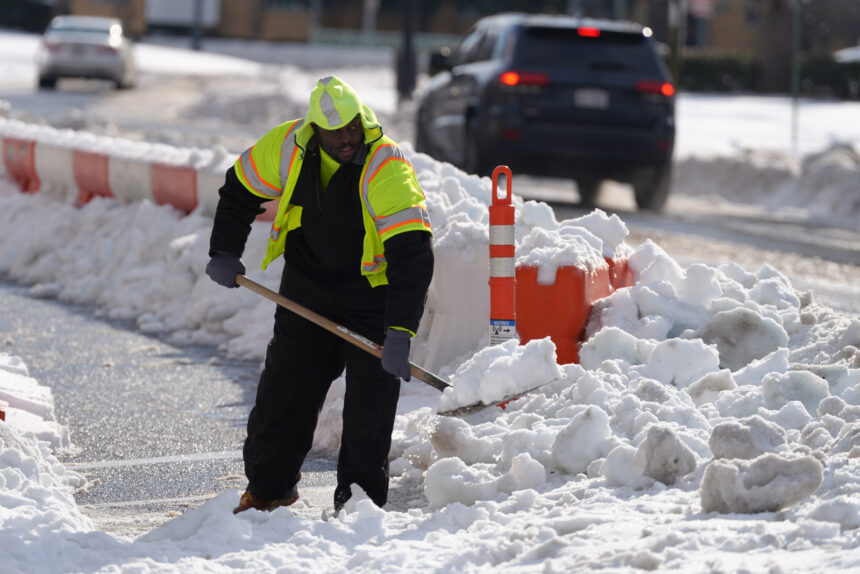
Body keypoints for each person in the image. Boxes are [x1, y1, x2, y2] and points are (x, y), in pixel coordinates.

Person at [205, 76, 434, 514]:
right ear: (315, 129)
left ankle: (359, 508)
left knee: (369, 408)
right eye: (335, 132)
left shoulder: (386, 166)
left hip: (371, 294)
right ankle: (268, 491)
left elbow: (412, 254)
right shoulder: (288, 145)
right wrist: (225, 250)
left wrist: (400, 330)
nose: (346, 138)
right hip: (307, 284)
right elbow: (239, 189)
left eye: (352, 127)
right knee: (285, 389)